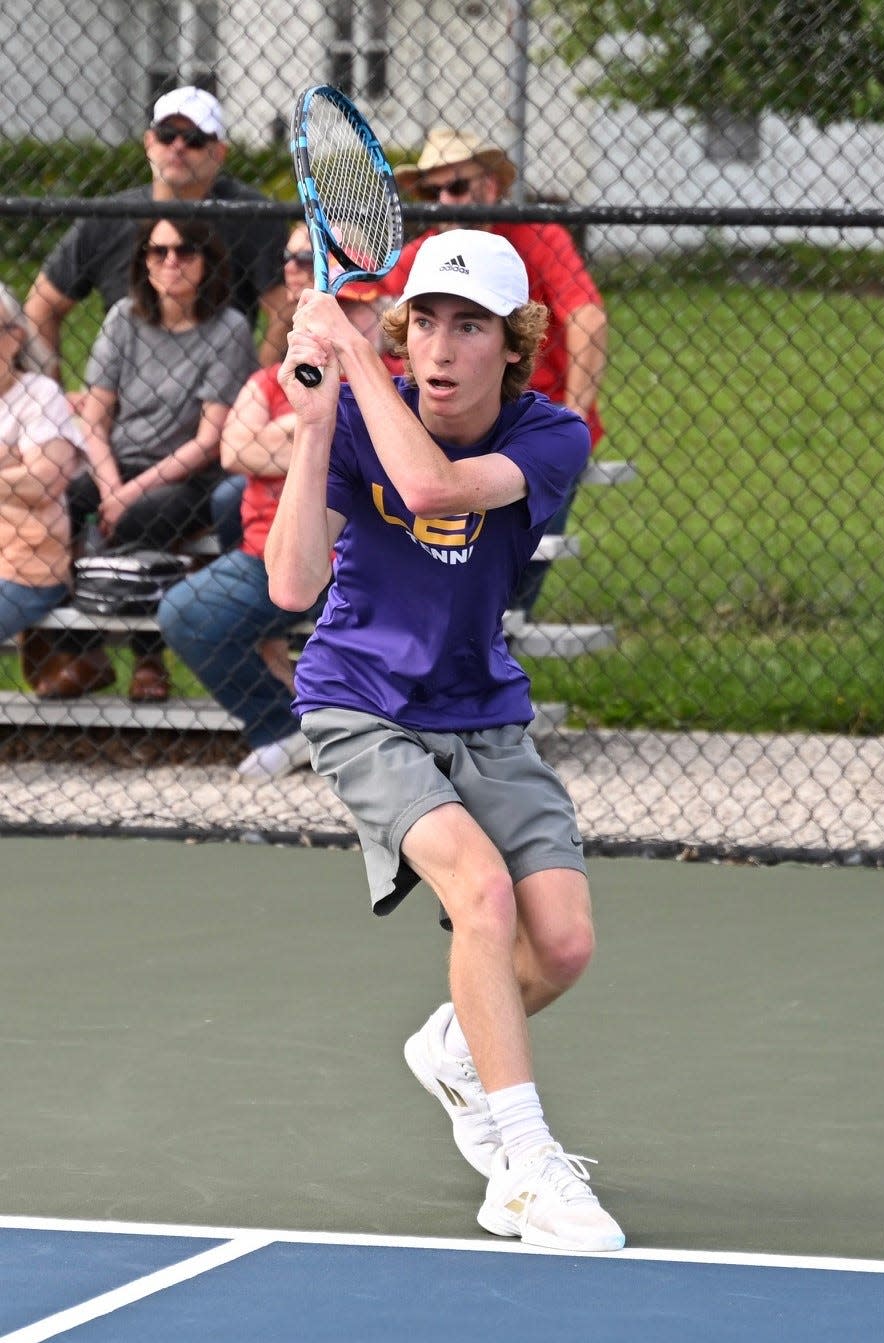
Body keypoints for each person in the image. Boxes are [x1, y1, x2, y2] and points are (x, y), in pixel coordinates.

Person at [265, 229, 624, 1253]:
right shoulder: (359, 414)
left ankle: (456, 1045)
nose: (440, 346)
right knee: (481, 889)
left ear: (514, 346)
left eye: (470, 326)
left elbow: (431, 489)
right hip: (360, 702)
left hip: (481, 707)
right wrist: (317, 420)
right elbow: (291, 586)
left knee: (560, 941)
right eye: (423, 320)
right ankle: (525, 1167)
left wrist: (358, 367)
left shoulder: (552, 435)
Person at [158, 227, 386, 782]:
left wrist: (294, 434)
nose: (342, 326)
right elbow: (235, 449)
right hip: (275, 554)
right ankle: (284, 727)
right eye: (290, 259)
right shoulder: (271, 378)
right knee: (186, 612)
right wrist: (314, 428)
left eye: (354, 313)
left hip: (365, 563)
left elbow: (375, 457)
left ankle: (337, 730)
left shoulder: (396, 387)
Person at [385, 127, 609, 614]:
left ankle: (492, 638)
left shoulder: (537, 237)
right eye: (432, 191)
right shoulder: (420, 258)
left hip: (531, 419)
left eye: (457, 187)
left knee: (500, 588)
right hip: (439, 430)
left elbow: (587, 318)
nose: (444, 201)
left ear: (489, 186)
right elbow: (378, 334)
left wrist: (568, 417)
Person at [41, 215, 258, 702]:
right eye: (158, 252)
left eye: (185, 251)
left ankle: (146, 660)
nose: (171, 262)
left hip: (194, 473)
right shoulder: (123, 318)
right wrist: (112, 484)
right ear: (144, 262)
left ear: (208, 261)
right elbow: (95, 421)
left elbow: (208, 441)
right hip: (119, 463)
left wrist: (128, 495)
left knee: (141, 518)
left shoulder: (228, 329)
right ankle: (83, 653)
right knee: (61, 505)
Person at [24, 85, 290, 378]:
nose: (178, 146)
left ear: (219, 153)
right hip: (123, 395)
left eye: (195, 139)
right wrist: (52, 396)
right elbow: (41, 305)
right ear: (149, 142)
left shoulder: (251, 216)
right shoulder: (107, 218)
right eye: (166, 135)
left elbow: (284, 311)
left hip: (219, 395)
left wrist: (258, 395)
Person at [0, 284, 85, 683]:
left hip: (24, 567)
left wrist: (24, 475)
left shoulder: (39, 395)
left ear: (15, 335)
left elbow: (42, 483)